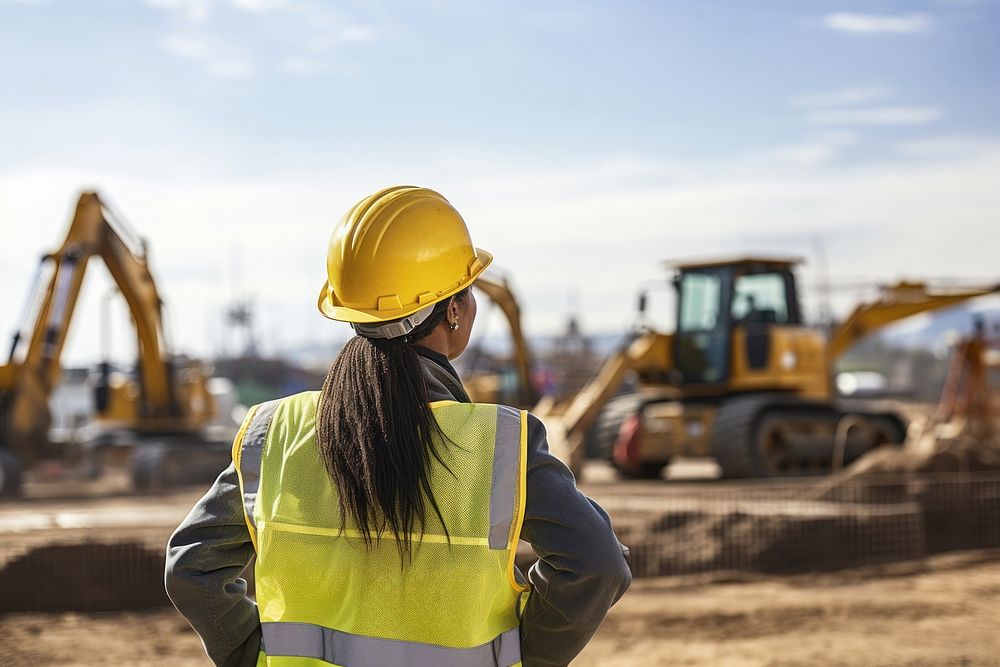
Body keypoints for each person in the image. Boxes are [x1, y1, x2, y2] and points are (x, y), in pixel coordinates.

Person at [165, 186, 631, 667]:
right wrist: (525, 657)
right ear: (452, 309)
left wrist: (250, 657)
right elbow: (597, 565)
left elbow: (191, 568)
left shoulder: (275, 433)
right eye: (468, 292)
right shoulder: (502, 445)